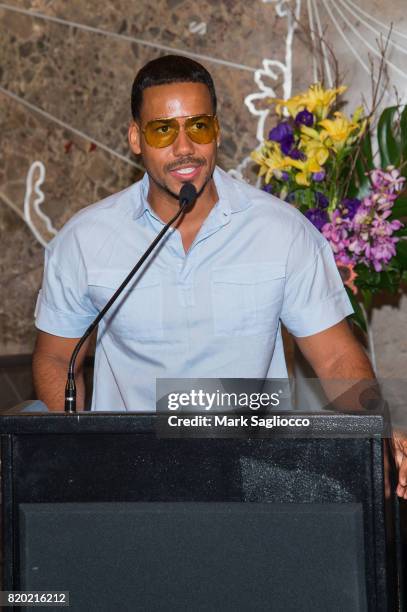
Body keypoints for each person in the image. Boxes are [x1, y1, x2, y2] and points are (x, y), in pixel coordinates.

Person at [32, 55, 407, 497]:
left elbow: (337, 361)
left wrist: (380, 429)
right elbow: (57, 358)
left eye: (199, 127)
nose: (184, 146)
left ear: (218, 131)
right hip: (131, 478)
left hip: (258, 478)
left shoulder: (281, 231)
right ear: (136, 138)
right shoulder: (85, 239)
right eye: (162, 130)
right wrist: (83, 455)